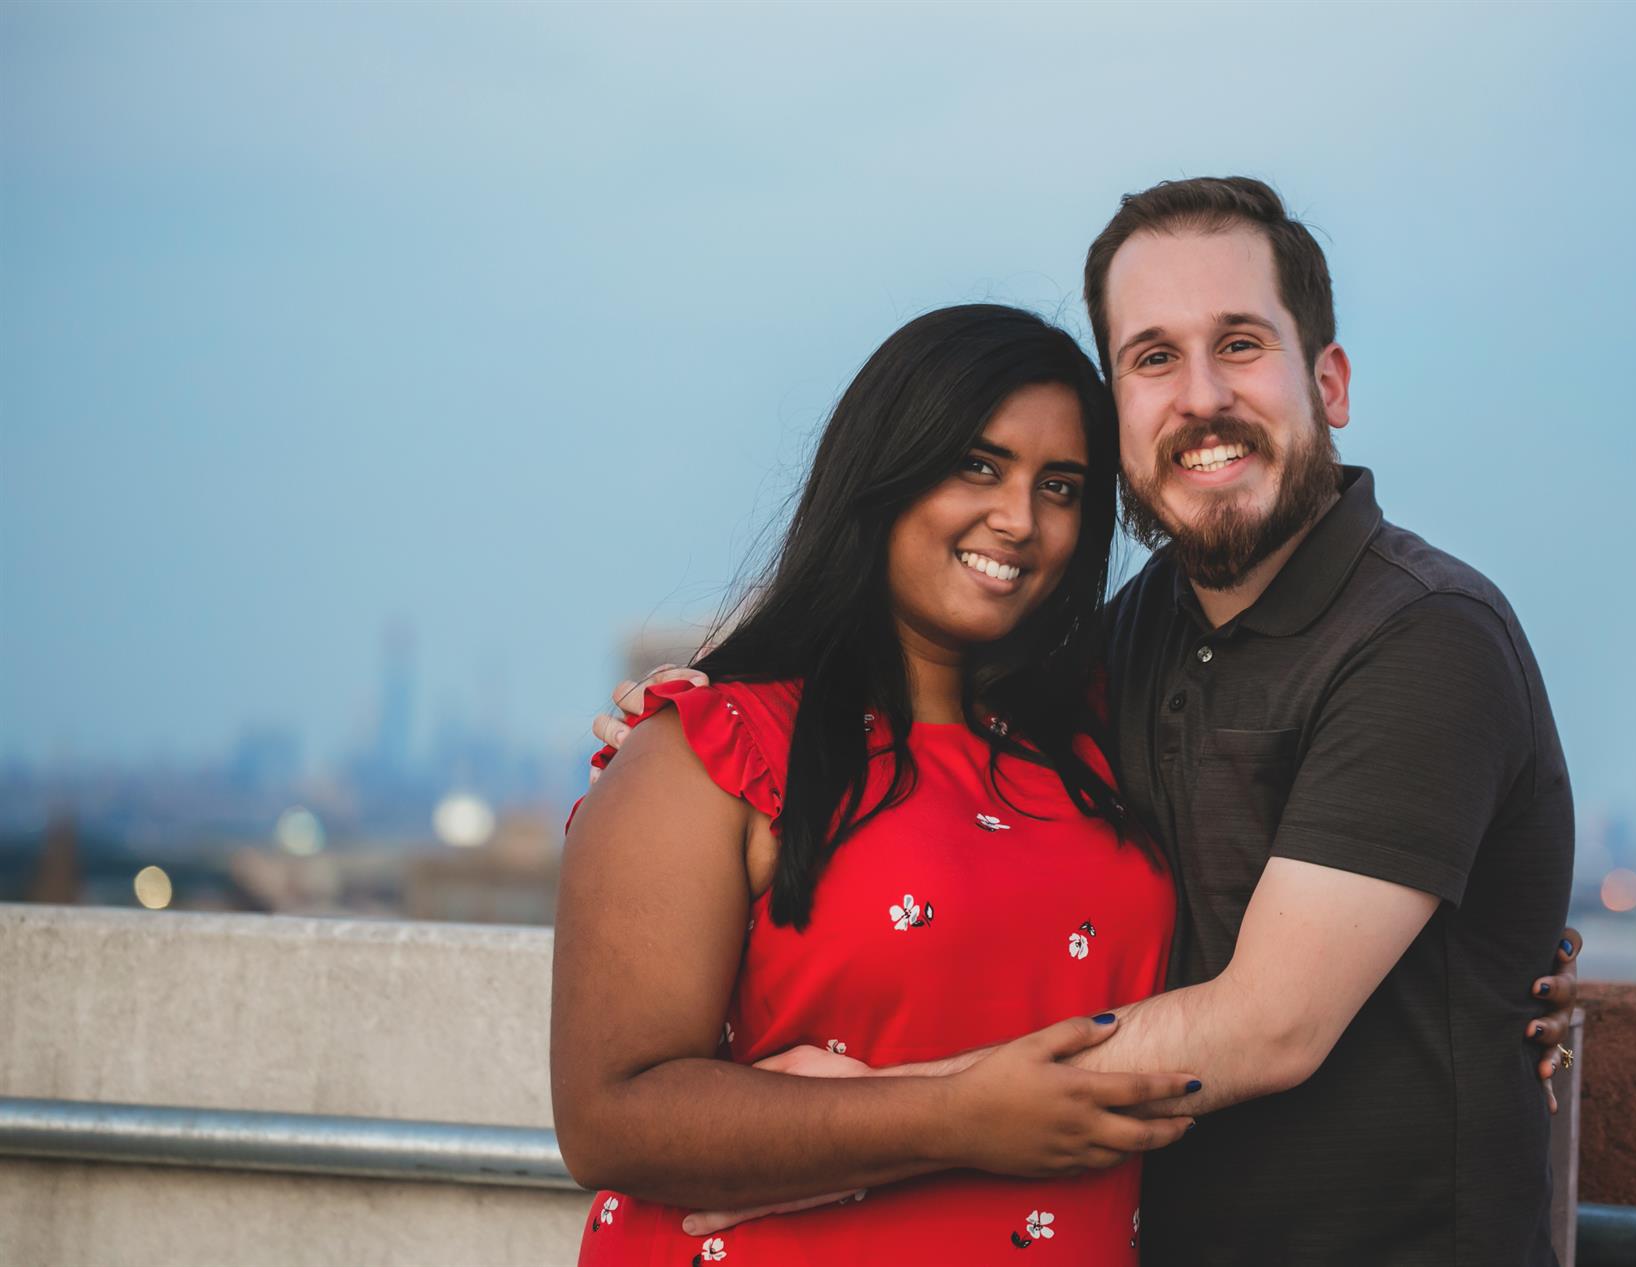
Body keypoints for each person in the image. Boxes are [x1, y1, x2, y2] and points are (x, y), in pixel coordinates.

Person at [592, 176, 1580, 1265]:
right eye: (1153, 357)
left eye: (1240, 343)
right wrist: (696, 727)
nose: (1201, 397)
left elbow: (1271, 1025)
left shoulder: (1424, 634)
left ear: (1328, 382)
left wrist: (856, 1120)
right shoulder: (1119, 645)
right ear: (1120, 415)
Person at [555, 304, 1202, 1267]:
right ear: (883, 472)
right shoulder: (716, 751)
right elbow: (608, 1118)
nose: (1019, 519)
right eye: (976, 465)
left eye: (1060, 487)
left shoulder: (1098, 739)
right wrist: (951, 1117)